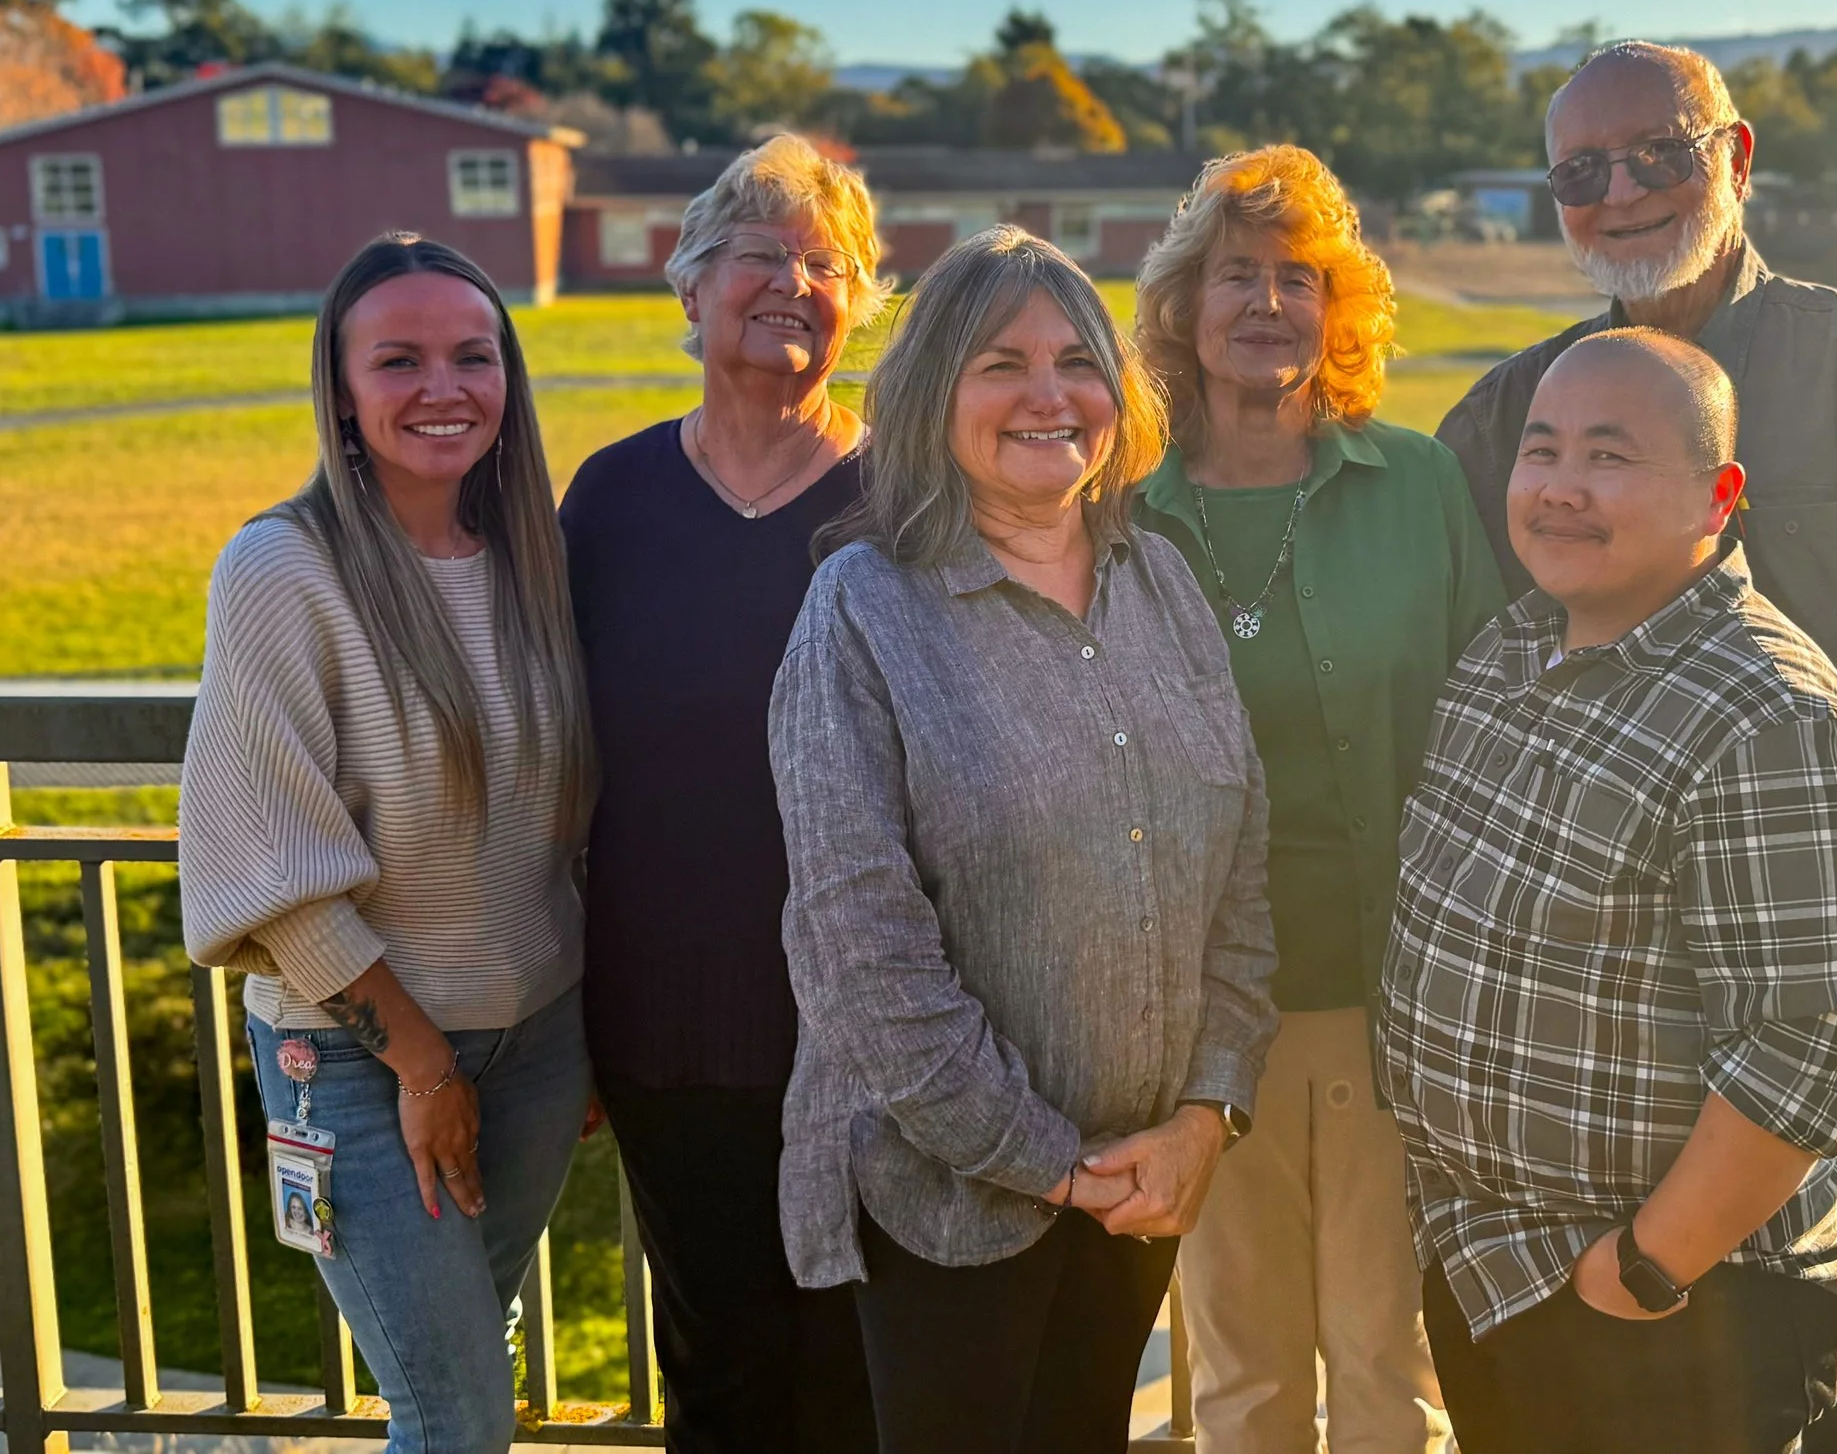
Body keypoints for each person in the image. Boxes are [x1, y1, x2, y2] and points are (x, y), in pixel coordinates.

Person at [1434, 42, 1837, 1454]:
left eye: (1659, 152)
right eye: (1580, 173)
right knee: (1651, 1376)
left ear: (1738, 154)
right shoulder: (1505, 416)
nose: (1623, 193)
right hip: (1603, 1014)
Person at [771, 224, 1280, 1454]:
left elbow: (1239, 883)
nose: (1049, 395)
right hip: (949, 1201)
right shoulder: (865, 608)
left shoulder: (1159, 581)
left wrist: (1207, 1113)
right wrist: (1052, 1163)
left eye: (1077, 362)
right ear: (932, 392)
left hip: (1136, 1190)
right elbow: (861, 949)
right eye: (1002, 363)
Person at [1381, 328, 1837, 1454]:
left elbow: (1810, 1044)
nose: (1561, 489)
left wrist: (1642, 1270)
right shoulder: (1509, 652)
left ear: (1719, 498)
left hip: (1672, 1310)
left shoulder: (1772, 717)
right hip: (1500, 1270)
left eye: (1609, 459)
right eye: (1542, 450)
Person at [181, 232, 599, 1454]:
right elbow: (268, 858)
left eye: (474, 356)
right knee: (455, 1415)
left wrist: (570, 1019)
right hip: (357, 1057)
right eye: (399, 359)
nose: (442, 388)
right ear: (344, 389)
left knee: (483, 1341)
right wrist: (423, 1068)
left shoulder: (536, 562)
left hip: (536, 1042)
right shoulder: (281, 570)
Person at [1129, 146, 1501, 1454]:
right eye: (1239, 274)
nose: (1270, 303)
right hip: (1203, 1020)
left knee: (1390, 1358)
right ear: (1183, 305)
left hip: (1394, 1002)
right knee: (1242, 1368)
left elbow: (1495, 720)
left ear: (1341, 310)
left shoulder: (1421, 486)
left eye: (1302, 277)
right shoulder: (1124, 512)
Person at [561, 137, 886, 1453]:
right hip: (665, 1019)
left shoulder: (906, 496)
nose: (794, 283)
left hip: (876, 1024)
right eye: (761, 254)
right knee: (720, 1373)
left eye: (828, 263)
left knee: (861, 1376)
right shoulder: (616, 498)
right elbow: (552, 748)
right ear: (690, 291)